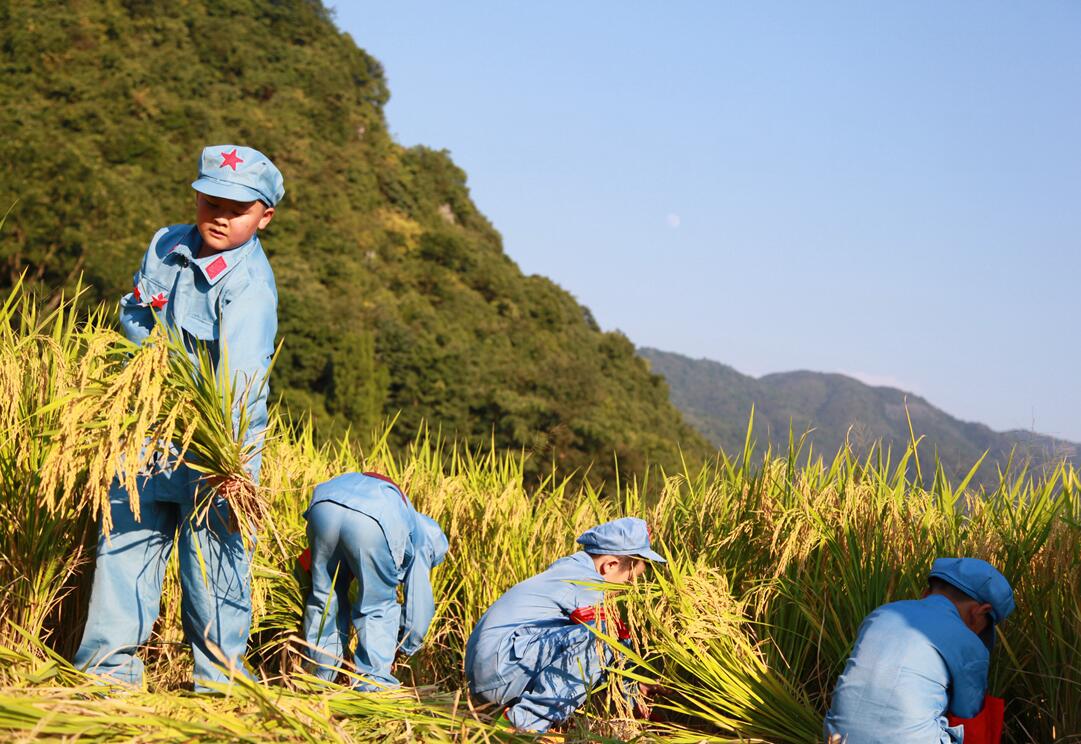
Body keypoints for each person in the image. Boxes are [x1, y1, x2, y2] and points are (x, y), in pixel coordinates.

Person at [74, 145, 284, 691]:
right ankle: (106, 676)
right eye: (209, 200)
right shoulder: (165, 245)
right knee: (124, 544)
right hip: (148, 424)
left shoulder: (249, 288)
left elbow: (238, 387)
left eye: (236, 208)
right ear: (195, 195)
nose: (219, 214)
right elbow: (135, 315)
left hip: (219, 441)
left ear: (264, 217)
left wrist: (229, 464)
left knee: (213, 566)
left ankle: (217, 686)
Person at [464, 517, 665, 732]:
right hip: (500, 671)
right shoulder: (584, 581)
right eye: (628, 580)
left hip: (497, 669)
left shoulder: (568, 570)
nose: (625, 589)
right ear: (610, 565)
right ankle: (521, 727)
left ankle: (527, 719)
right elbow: (612, 642)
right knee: (601, 637)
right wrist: (635, 687)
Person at [823, 557, 1015, 744]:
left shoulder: (882, 612)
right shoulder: (971, 644)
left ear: (925, 593)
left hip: (838, 737)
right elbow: (970, 722)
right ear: (979, 612)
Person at [298, 472, 449, 690]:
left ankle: (319, 679)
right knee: (376, 606)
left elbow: (306, 563)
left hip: (324, 506)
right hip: (372, 522)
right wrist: (405, 646)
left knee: (325, 596)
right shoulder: (425, 540)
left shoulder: (405, 512)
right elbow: (418, 609)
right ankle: (371, 686)